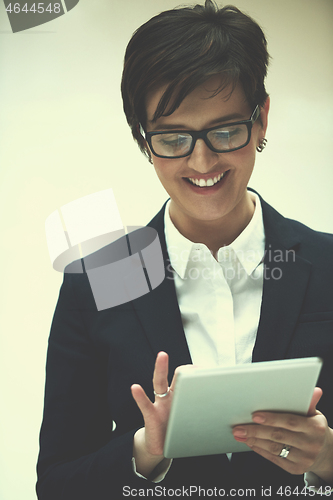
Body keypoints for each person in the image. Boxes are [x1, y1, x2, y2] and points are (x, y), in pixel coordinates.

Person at [36, 1, 333, 498]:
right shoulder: (100, 279)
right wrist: (146, 451)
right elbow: (58, 484)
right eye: (173, 138)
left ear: (260, 119)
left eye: (224, 131)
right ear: (143, 138)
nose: (202, 161)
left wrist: (328, 458)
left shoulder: (326, 266)